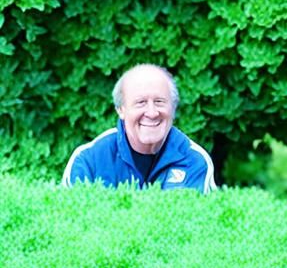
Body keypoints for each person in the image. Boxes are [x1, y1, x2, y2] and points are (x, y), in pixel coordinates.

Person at [62, 64, 217, 193]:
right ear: (121, 109)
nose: (152, 112)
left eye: (159, 102)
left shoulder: (194, 161)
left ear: (173, 109)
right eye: (141, 102)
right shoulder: (89, 159)